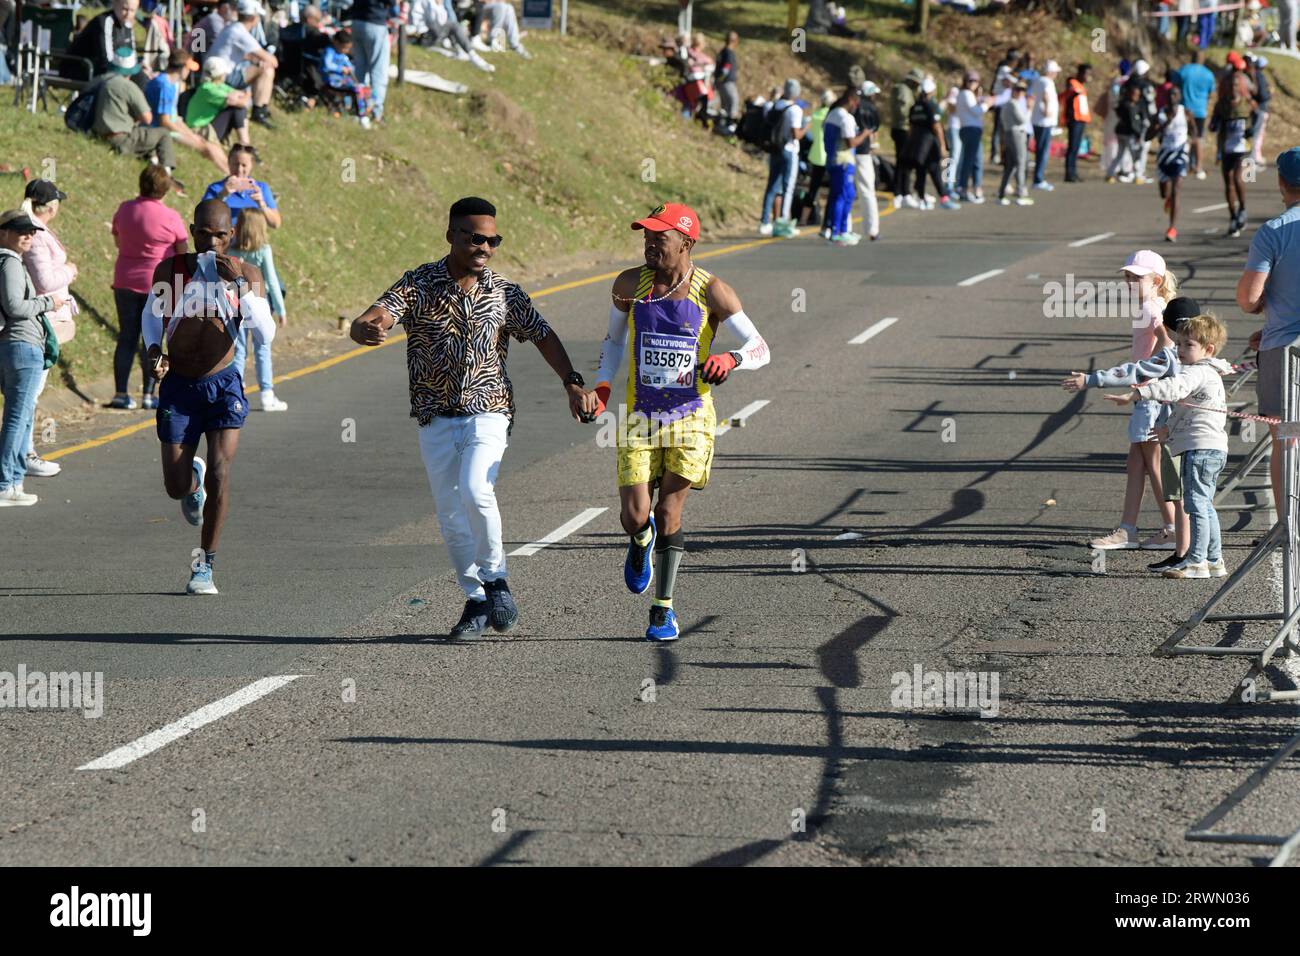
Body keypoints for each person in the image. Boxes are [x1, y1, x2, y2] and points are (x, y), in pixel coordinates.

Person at [349, 196, 587, 637]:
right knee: (450, 515)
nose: (485, 247)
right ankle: (475, 601)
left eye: (492, 240)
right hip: (434, 415)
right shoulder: (420, 283)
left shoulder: (504, 290)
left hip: (489, 409)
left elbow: (541, 333)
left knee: (477, 489)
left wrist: (571, 382)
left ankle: (496, 581)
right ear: (451, 236)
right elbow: (379, 312)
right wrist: (363, 326)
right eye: (476, 238)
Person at [579, 202, 771, 641]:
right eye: (646, 235)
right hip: (640, 415)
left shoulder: (713, 292)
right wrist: (603, 388)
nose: (649, 243)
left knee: (668, 512)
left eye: (659, 237)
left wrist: (731, 357)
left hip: (691, 417)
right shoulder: (629, 285)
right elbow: (613, 341)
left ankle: (662, 609)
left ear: (686, 242)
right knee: (635, 516)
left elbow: (761, 347)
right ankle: (639, 541)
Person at [142, 199, 277, 594]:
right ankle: (192, 482)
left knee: (221, 470)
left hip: (224, 385)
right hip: (179, 387)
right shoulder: (171, 270)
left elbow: (265, 333)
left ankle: (205, 567)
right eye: (203, 233)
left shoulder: (247, 273)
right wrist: (154, 352)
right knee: (175, 487)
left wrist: (237, 285)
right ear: (192, 230)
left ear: (230, 235)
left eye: (220, 235)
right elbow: (152, 317)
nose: (211, 242)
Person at [1063, 296, 1205, 571]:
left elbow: (1134, 371)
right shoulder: (1207, 358)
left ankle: (1186, 552)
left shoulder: (1170, 354)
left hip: (1169, 430)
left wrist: (1091, 379)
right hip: (1193, 433)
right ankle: (1193, 550)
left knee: (1176, 488)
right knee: (1185, 489)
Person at [1106, 315, 1232, 580]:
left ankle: (1197, 561)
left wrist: (1138, 393)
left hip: (1200, 449)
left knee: (1196, 505)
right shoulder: (1210, 372)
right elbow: (1185, 409)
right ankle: (1214, 558)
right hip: (1211, 447)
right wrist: (1168, 430)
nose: (1180, 350)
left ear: (1208, 349)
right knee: (1205, 504)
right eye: (1179, 344)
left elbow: (1174, 388)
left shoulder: (1197, 371)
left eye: (1188, 345)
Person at [1087, 250, 1180, 551]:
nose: (1129, 282)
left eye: (1137, 278)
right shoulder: (1154, 305)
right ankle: (1129, 529)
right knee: (1137, 463)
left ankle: (1172, 528)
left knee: (1153, 463)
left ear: (1156, 280)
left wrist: (1144, 375)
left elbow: (1167, 345)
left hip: (1151, 397)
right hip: (1151, 395)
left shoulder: (1152, 308)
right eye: (1127, 276)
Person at [1237, 147, 1300, 513]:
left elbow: (1248, 297)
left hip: (1286, 348)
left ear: (1281, 182)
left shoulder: (1272, 232)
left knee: (1287, 438)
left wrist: (1267, 307)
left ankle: (1289, 526)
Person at [0, 211, 66, 507]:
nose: (27, 235)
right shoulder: (10, 262)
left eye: (30, 231)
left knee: (21, 417)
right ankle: (5, 483)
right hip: (22, 345)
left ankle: (13, 482)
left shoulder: (10, 261)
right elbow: (14, 305)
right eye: (20, 230)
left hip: (13, 346)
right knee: (17, 418)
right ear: (3, 233)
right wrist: (48, 302)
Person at [110, 167, 190, 410]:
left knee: (127, 337)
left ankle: (121, 393)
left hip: (124, 280)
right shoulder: (171, 217)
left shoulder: (125, 209)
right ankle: (148, 393)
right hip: (157, 284)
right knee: (153, 339)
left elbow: (117, 239)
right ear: (165, 190)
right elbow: (183, 251)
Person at [19, 180, 77, 480]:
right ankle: (24, 453)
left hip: (44, 317)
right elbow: (44, 279)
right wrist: (70, 270)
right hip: (42, 321)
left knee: (30, 391)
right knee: (30, 392)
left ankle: (21, 452)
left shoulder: (32, 229)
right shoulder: (36, 234)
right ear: (51, 207)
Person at [229, 208, 287, 411]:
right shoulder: (263, 250)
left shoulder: (231, 249)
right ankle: (267, 394)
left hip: (237, 302)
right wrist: (281, 309)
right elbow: (271, 280)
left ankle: (234, 392)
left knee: (239, 350)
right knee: (262, 347)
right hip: (260, 303)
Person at [92, 47, 178, 171]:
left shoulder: (102, 80)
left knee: (147, 142)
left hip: (99, 135)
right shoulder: (129, 87)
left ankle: (152, 165)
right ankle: (166, 174)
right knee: (163, 134)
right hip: (121, 139)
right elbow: (147, 118)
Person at [147, 49, 232, 174]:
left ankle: (236, 174)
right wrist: (189, 135)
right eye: (188, 68)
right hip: (161, 131)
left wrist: (190, 134)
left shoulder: (171, 83)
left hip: (171, 127)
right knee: (206, 148)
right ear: (181, 68)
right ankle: (232, 176)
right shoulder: (163, 85)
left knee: (210, 145)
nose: (189, 72)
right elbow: (164, 121)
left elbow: (174, 117)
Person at [209, 0, 278, 129]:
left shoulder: (231, 27)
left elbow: (242, 54)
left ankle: (260, 109)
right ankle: (259, 111)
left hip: (215, 73)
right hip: (223, 77)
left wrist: (257, 60)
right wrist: (262, 61)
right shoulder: (240, 32)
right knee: (267, 69)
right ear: (254, 18)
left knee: (263, 66)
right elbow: (273, 61)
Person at [758, 79, 806, 238]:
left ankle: (765, 222)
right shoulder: (795, 109)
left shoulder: (776, 105)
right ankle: (783, 222)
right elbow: (795, 134)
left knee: (772, 185)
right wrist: (807, 127)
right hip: (789, 150)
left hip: (775, 150)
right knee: (788, 187)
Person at [1214, 52, 1254, 238]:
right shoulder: (1221, 105)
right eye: (1230, 85)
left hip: (1243, 148)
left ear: (1242, 87)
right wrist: (1214, 124)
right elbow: (1214, 124)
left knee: (1238, 178)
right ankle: (1233, 217)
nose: (1233, 87)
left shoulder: (1247, 104)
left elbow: (1258, 118)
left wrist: (1251, 131)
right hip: (1226, 147)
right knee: (1227, 182)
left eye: (1237, 85)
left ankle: (1243, 208)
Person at [822, 87, 868, 245]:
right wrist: (865, 134)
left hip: (832, 159)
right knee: (846, 195)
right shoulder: (846, 118)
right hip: (844, 160)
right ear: (851, 100)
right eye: (856, 102)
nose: (856, 106)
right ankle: (840, 231)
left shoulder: (831, 114)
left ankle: (835, 230)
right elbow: (851, 142)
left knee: (836, 195)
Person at [906, 75, 957, 210]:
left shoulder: (915, 106)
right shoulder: (931, 105)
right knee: (935, 170)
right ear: (931, 91)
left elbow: (911, 127)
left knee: (920, 170)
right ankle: (944, 197)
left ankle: (922, 198)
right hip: (930, 143)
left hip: (918, 144)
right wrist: (942, 146)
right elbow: (937, 127)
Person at [202, 144, 281, 229]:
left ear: (251, 165)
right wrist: (222, 195)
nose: (239, 170)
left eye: (244, 165)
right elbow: (202, 218)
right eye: (236, 164)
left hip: (252, 240)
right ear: (229, 162)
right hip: (225, 240)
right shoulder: (215, 188)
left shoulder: (261, 189)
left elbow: (275, 224)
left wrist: (262, 205)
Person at [185, 55, 253, 147]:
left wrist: (243, 96)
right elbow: (242, 102)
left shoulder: (218, 85)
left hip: (207, 125)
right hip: (199, 130)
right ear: (220, 75)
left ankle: (245, 144)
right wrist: (246, 95)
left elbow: (240, 95)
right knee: (237, 109)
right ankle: (245, 144)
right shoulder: (208, 89)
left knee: (238, 107)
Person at [410, 0, 493, 72]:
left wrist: (439, 5)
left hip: (433, 34)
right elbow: (432, 21)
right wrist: (438, 6)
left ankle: (462, 50)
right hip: (424, 36)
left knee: (452, 25)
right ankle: (472, 55)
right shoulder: (423, 1)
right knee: (453, 25)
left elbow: (442, 21)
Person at [65, 0, 141, 79]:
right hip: (82, 68)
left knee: (143, 76)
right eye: (124, 9)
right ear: (115, 4)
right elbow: (105, 60)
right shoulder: (104, 22)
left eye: (132, 10)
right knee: (138, 79)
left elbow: (131, 54)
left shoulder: (127, 23)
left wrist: (140, 67)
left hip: (110, 70)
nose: (128, 14)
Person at [345, 0, 393, 123]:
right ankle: (375, 111)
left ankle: (356, 106)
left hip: (357, 22)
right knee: (378, 70)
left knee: (359, 68)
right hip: (375, 23)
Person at [1156, 87, 1190, 242]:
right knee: (1165, 193)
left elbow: (1196, 133)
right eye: (1169, 94)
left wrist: (1194, 150)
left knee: (1177, 189)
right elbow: (1149, 135)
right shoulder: (1160, 114)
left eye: (1175, 94)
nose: (1172, 97)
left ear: (1180, 97)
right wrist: (1163, 126)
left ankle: (1171, 228)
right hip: (1164, 156)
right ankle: (1168, 198)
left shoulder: (1186, 113)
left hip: (1181, 155)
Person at [322, 29, 373, 125]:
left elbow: (350, 66)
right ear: (336, 43)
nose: (346, 51)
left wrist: (350, 69)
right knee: (357, 88)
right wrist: (340, 69)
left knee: (364, 88)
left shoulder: (343, 56)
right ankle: (360, 114)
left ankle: (364, 110)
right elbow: (327, 65)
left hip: (342, 80)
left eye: (347, 49)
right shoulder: (329, 52)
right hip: (332, 80)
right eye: (344, 48)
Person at [853, 80, 882, 241]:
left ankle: (842, 227)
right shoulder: (870, 108)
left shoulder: (853, 105)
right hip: (863, 151)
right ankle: (872, 229)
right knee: (867, 191)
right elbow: (874, 128)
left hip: (846, 150)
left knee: (845, 191)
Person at [1179, 50, 1214, 180]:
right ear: (1203, 59)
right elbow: (1211, 93)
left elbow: (1176, 86)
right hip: (1200, 110)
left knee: (1184, 137)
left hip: (1184, 109)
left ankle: (1185, 165)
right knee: (1198, 138)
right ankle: (1198, 167)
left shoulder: (1183, 70)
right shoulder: (1208, 74)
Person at [996, 80, 1033, 206]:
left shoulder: (1008, 104)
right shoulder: (1013, 104)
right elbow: (1022, 120)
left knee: (1011, 165)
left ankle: (1001, 193)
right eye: (1019, 90)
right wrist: (1029, 109)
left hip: (1009, 133)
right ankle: (1021, 193)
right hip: (1016, 134)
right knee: (1021, 162)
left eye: (1022, 90)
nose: (1021, 93)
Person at [955, 70, 989, 204]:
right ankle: (964, 188)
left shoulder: (968, 95)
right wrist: (987, 103)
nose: (973, 83)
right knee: (971, 161)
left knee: (976, 160)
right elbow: (977, 111)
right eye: (970, 81)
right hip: (970, 130)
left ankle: (975, 188)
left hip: (971, 130)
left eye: (975, 81)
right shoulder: (966, 94)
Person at [889, 68, 922, 206]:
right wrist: (913, 119)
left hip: (901, 128)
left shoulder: (906, 90)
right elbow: (903, 110)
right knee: (904, 162)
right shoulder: (903, 90)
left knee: (903, 162)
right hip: (902, 129)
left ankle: (902, 192)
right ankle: (902, 192)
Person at [1106, 83, 1148, 184]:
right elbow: (1133, 123)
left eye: (1138, 95)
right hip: (1128, 134)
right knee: (1135, 155)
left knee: (1119, 154)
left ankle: (1110, 174)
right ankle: (1138, 176)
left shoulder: (1123, 104)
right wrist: (1138, 135)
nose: (1136, 97)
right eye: (1135, 94)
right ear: (1130, 94)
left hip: (1121, 132)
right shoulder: (1130, 107)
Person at [1030, 60, 1060, 191]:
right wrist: (1047, 109)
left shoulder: (1038, 80)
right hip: (1044, 121)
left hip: (1039, 120)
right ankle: (1038, 179)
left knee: (1040, 150)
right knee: (1043, 151)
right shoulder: (1046, 82)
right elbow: (1046, 96)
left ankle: (1038, 177)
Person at [1061, 63, 1092, 183]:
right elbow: (1068, 94)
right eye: (1086, 73)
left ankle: (1073, 172)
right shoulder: (1073, 83)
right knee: (1072, 147)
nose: (1088, 77)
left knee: (1076, 147)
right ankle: (1069, 173)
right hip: (1074, 119)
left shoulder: (1081, 86)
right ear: (1080, 73)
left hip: (1081, 120)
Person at [713, 31, 740, 136]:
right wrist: (721, 79)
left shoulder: (723, 51)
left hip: (722, 82)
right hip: (727, 82)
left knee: (725, 105)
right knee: (733, 102)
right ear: (734, 41)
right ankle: (729, 128)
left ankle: (721, 125)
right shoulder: (729, 52)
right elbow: (726, 68)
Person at [1250, 55, 1270, 168]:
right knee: (1258, 133)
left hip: (1257, 108)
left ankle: (1255, 155)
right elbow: (1263, 94)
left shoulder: (1254, 75)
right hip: (1261, 108)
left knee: (1257, 132)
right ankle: (1255, 156)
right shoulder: (1260, 76)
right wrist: (1269, 94)